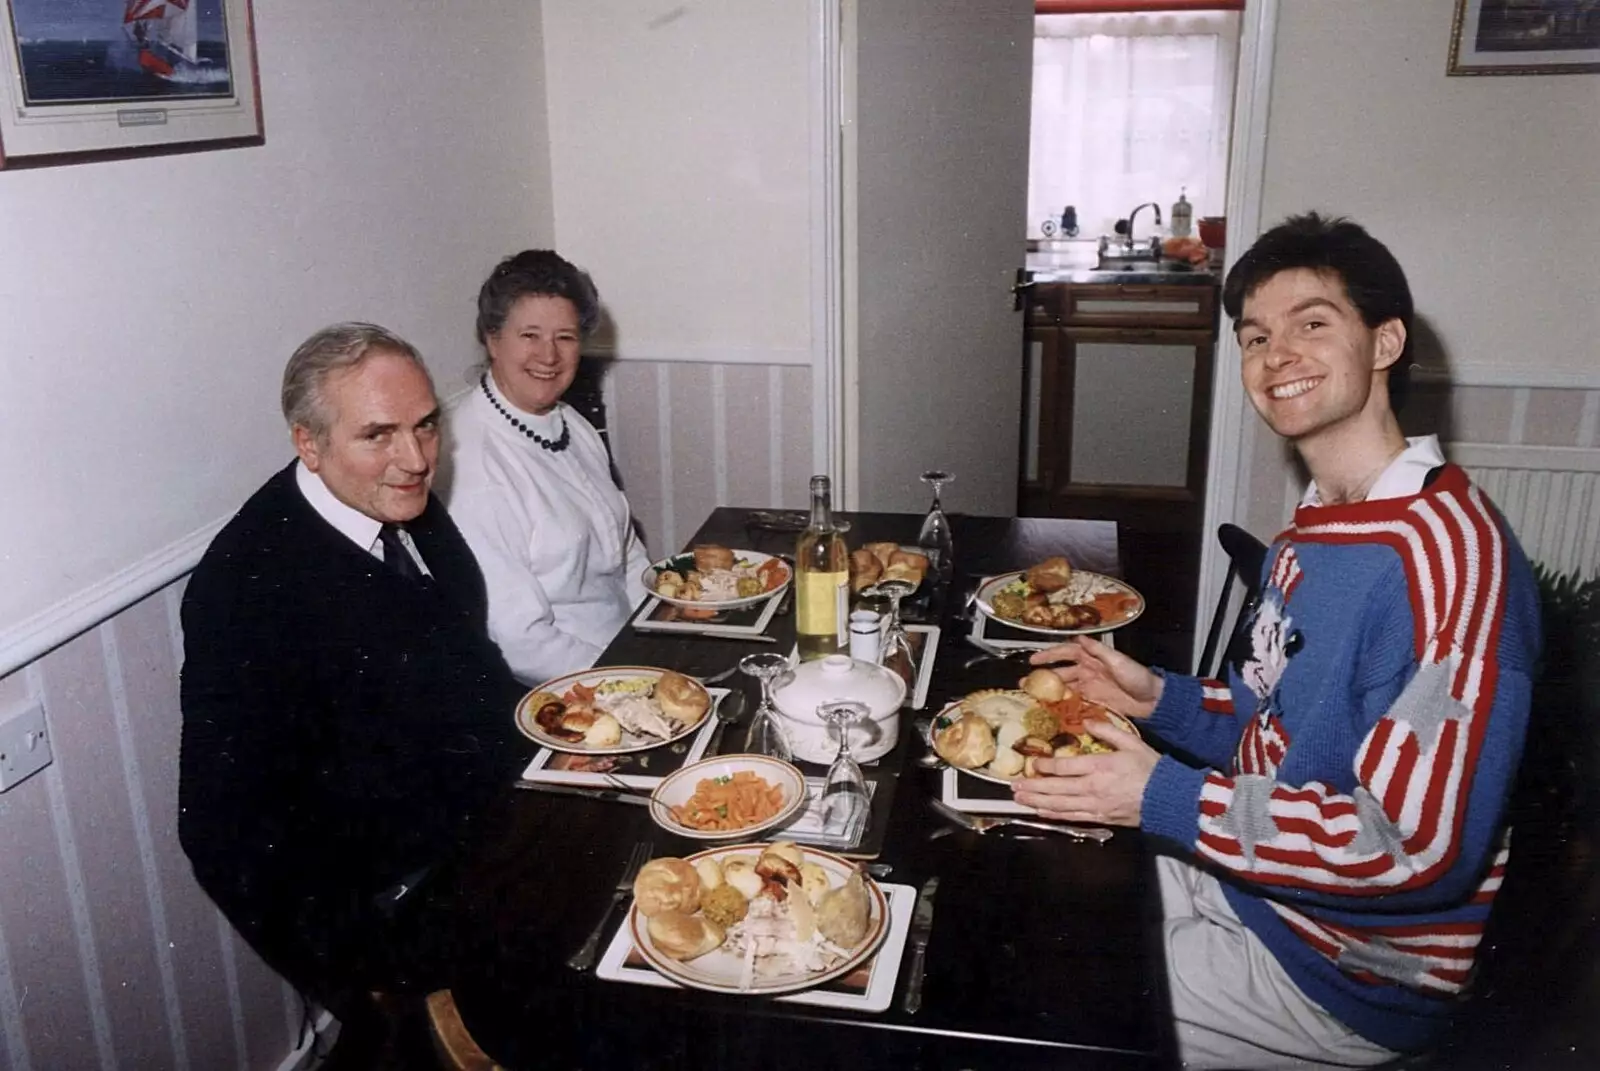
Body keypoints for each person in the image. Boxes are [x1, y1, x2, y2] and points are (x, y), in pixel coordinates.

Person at [1013, 214, 1541, 1069]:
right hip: (1256, 882)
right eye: (1256, 336)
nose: (1276, 355)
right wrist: (1155, 696)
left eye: (1313, 323)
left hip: (1343, 971)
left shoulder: (1449, 563)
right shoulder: (1323, 523)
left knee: (1045, 1011)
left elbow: (1417, 847)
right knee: (1028, 889)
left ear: (1386, 342)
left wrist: (1164, 798)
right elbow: (1272, 722)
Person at [178, 323, 531, 1059]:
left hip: (498, 839)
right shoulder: (249, 587)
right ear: (309, 443)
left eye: (426, 425)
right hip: (406, 914)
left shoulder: (396, 501)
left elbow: (462, 664)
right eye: (379, 434)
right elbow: (221, 832)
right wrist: (368, 982)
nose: (415, 458)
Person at [444, 250, 652, 684]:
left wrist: (657, 633)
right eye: (530, 335)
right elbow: (519, 641)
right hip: (560, 688)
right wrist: (632, 680)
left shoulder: (569, 423)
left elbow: (626, 553)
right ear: (492, 338)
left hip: (628, 652)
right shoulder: (471, 463)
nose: (549, 356)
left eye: (566, 337)